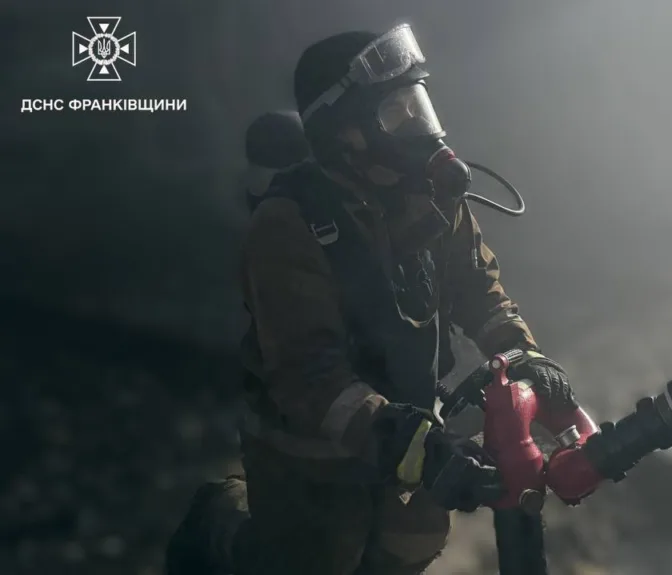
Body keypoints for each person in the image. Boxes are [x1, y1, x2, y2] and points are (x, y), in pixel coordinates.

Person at [166, 24, 578, 575]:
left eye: (417, 105)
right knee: (314, 559)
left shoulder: (434, 197)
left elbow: (480, 291)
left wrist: (522, 354)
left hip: (409, 431)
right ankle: (221, 519)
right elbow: (311, 376)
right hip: (309, 448)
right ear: (345, 133)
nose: (418, 126)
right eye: (394, 112)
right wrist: (413, 444)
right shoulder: (289, 224)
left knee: (413, 543)